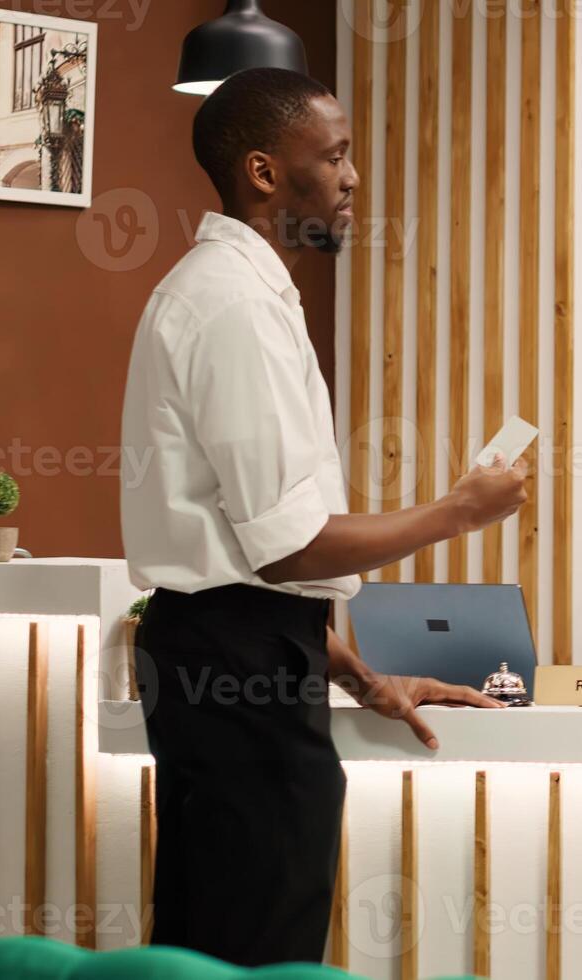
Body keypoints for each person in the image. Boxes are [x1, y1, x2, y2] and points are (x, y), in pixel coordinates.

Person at [120, 68, 528, 966]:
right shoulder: (233, 305)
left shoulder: (240, 291)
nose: (351, 179)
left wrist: (350, 669)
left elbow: (244, 547)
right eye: (335, 156)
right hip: (235, 657)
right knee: (257, 948)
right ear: (263, 172)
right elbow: (288, 548)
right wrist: (460, 509)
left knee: (211, 942)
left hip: (235, 646)